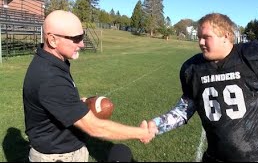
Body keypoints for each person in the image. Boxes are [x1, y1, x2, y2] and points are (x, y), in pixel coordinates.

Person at [145, 12, 258, 162]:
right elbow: (184, 109)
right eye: (199, 37)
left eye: (206, 37)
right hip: (215, 157)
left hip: (256, 157)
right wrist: (157, 125)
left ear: (226, 36)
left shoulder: (254, 58)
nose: (200, 42)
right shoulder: (193, 69)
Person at [22, 10, 157, 162]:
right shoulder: (50, 78)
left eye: (83, 36)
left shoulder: (52, 63)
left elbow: (54, 102)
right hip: (58, 157)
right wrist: (141, 133)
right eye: (76, 38)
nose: (82, 44)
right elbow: (95, 127)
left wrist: (76, 104)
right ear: (52, 40)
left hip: (66, 150)